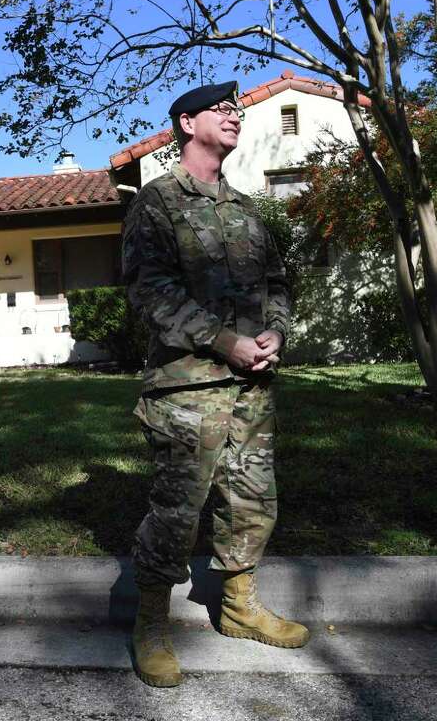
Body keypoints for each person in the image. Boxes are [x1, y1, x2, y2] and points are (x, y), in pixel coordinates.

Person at [121, 81, 309, 688]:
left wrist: (276, 333)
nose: (234, 117)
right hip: (186, 389)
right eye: (221, 110)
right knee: (178, 511)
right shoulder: (157, 203)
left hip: (252, 386)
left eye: (237, 111)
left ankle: (238, 607)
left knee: (252, 501)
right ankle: (150, 623)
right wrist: (226, 342)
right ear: (185, 124)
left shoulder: (248, 209)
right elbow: (151, 295)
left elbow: (278, 283)